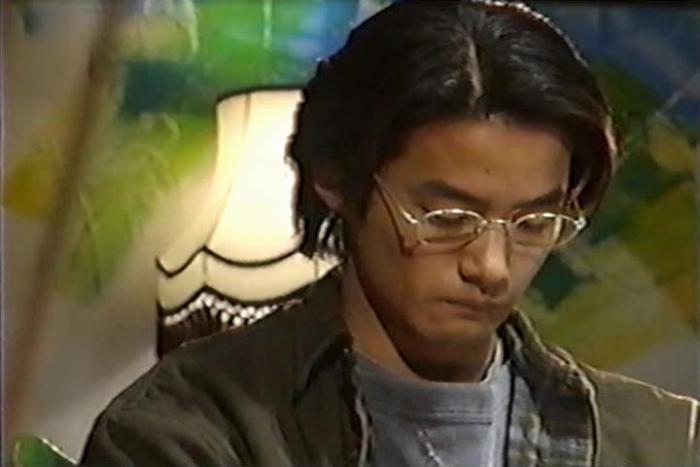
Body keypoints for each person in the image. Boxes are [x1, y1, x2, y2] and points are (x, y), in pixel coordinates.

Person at [81, 1, 699, 466]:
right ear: (336, 179)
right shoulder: (188, 432)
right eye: (447, 219)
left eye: (533, 223)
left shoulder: (664, 440)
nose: (491, 265)